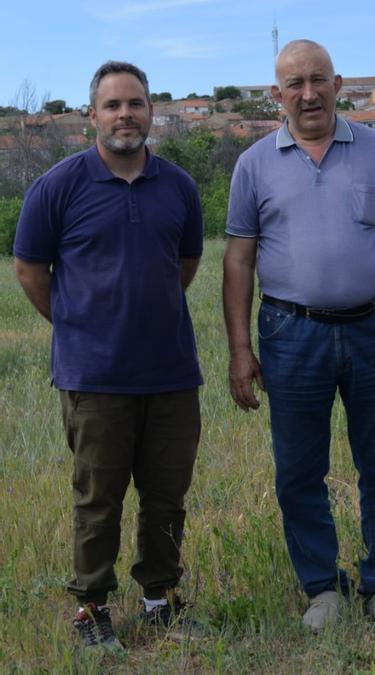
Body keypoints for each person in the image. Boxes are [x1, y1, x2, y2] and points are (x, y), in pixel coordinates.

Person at [222, 39, 375, 631]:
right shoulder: (254, 164)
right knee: (297, 470)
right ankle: (323, 588)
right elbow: (238, 260)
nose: (308, 93)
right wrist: (241, 348)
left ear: (339, 84)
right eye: (295, 84)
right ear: (277, 95)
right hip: (292, 335)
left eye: (318, 80)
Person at [13, 61, 204, 649]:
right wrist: (80, 324)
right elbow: (29, 269)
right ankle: (90, 609)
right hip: (94, 377)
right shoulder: (58, 186)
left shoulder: (179, 187)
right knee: (98, 501)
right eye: (114, 105)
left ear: (152, 112)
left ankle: (158, 601)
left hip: (170, 373)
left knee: (167, 497)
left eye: (137, 104)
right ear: (92, 114)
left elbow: (186, 265)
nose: (126, 114)